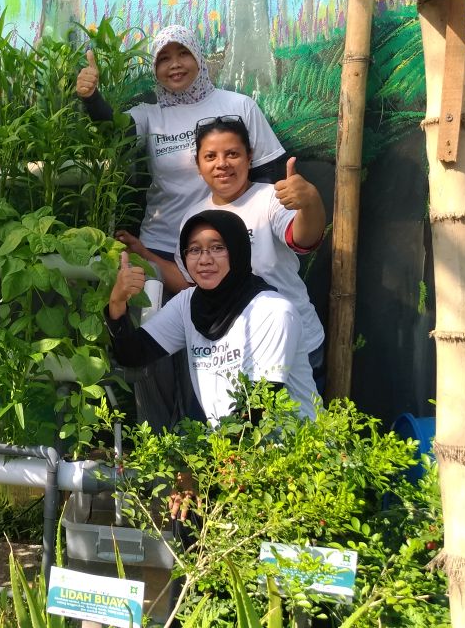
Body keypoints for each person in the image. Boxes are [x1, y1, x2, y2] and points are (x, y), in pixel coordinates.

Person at [77, 25, 287, 293]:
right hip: (161, 244)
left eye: (183, 54)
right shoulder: (150, 115)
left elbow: (268, 174)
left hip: (220, 245)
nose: (174, 65)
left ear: (198, 57)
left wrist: (251, 234)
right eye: (163, 59)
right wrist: (92, 98)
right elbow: (114, 128)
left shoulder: (238, 107)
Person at [106, 209, 316, 425]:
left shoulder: (272, 311)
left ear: (238, 250)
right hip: (227, 448)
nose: (204, 259)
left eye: (217, 248)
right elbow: (133, 354)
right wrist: (117, 301)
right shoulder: (187, 304)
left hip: (292, 449)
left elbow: (256, 411)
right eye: (195, 250)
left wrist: (207, 455)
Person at [175, 116, 326, 379]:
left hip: (293, 345)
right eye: (210, 156)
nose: (222, 164)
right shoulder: (193, 218)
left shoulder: (271, 199)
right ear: (199, 164)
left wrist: (310, 202)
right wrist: (144, 256)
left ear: (249, 157)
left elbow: (303, 239)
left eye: (232, 153)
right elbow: (191, 282)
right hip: (232, 353)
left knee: (298, 421)